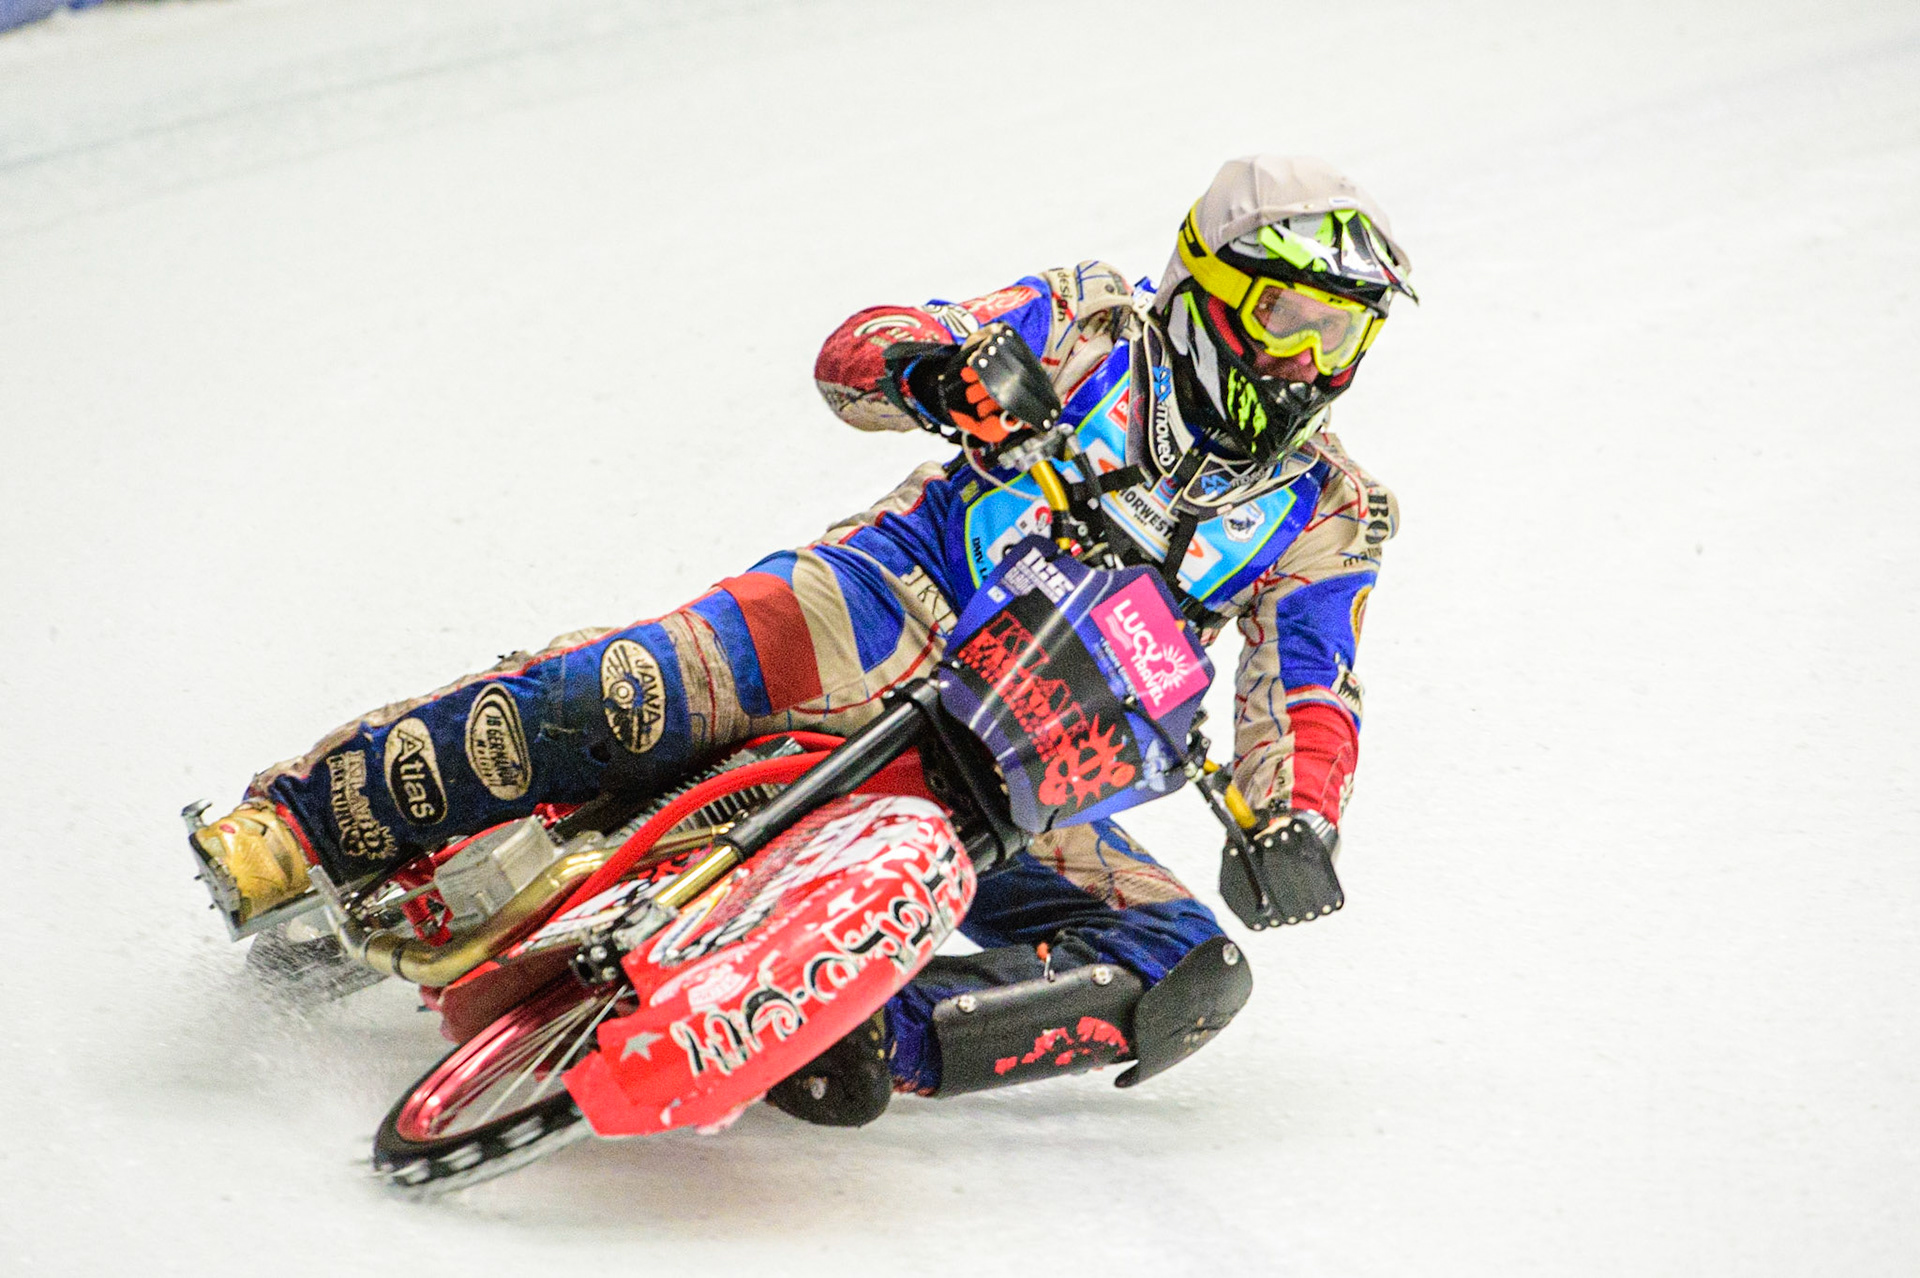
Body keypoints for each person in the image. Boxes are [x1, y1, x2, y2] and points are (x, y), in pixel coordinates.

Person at [190, 154, 1413, 1125]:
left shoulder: (1333, 512)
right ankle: (298, 825)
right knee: (633, 689)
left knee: (1180, 965)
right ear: (1214, 283)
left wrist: (1298, 815)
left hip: (1023, 766)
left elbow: (1310, 689)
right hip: (875, 607)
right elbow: (859, 347)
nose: (1316, 362)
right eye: (1299, 315)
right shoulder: (1095, 323)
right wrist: (945, 374)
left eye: (1348, 336)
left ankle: (861, 1032)